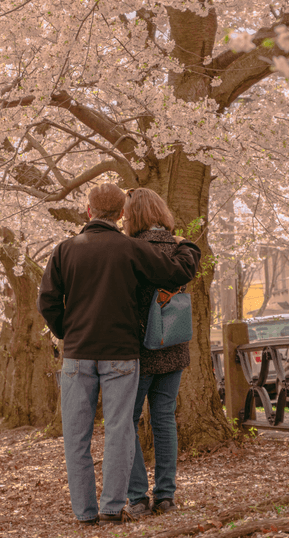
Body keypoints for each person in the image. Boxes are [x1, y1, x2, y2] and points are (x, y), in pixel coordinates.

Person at [37, 183, 200, 526]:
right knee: (119, 431)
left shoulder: (64, 250)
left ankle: (84, 512)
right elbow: (176, 273)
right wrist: (187, 247)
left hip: (78, 355)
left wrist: (69, 332)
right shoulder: (129, 248)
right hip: (121, 355)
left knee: (76, 438)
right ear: (121, 214)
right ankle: (113, 506)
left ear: (88, 211)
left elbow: (47, 302)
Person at [123, 188, 194, 518]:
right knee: (164, 420)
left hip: (138, 350)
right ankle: (166, 496)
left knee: (127, 421)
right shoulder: (181, 249)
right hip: (173, 345)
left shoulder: (128, 251)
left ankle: (137, 496)